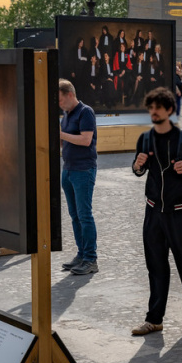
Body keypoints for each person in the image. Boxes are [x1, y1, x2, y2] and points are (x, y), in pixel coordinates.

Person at [131, 88, 182, 336]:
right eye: (151, 108)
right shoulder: (145, 139)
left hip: (179, 212)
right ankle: (154, 319)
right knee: (155, 265)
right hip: (153, 212)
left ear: (169, 110)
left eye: (158, 108)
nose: (154, 112)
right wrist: (137, 165)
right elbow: (137, 169)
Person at [59, 78, 99, 276]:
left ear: (70, 95)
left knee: (84, 215)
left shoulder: (86, 112)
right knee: (74, 216)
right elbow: (64, 142)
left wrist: (60, 135)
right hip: (68, 169)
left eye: (60, 100)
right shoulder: (66, 115)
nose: (59, 105)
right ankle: (81, 254)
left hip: (83, 170)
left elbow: (85, 140)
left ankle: (91, 259)